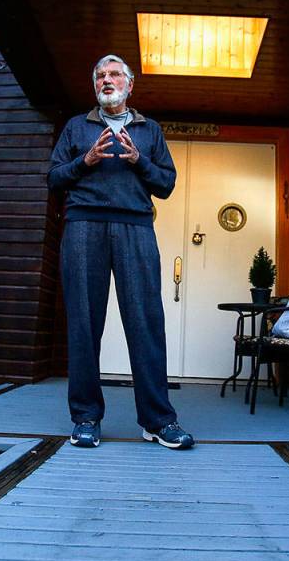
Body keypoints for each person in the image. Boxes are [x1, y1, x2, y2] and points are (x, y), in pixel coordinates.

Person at [48, 54, 194, 450]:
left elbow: (166, 183)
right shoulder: (78, 127)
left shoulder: (149, 130)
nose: (105, 80)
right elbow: (54, 177)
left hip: (135, 228)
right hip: (83, 227)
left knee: (146, 321)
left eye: (114, 74)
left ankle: (158, 420)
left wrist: (138, 161)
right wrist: (86, 159)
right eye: (99, 75)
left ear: (130, 84)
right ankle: (86, 418)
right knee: (83, 323)